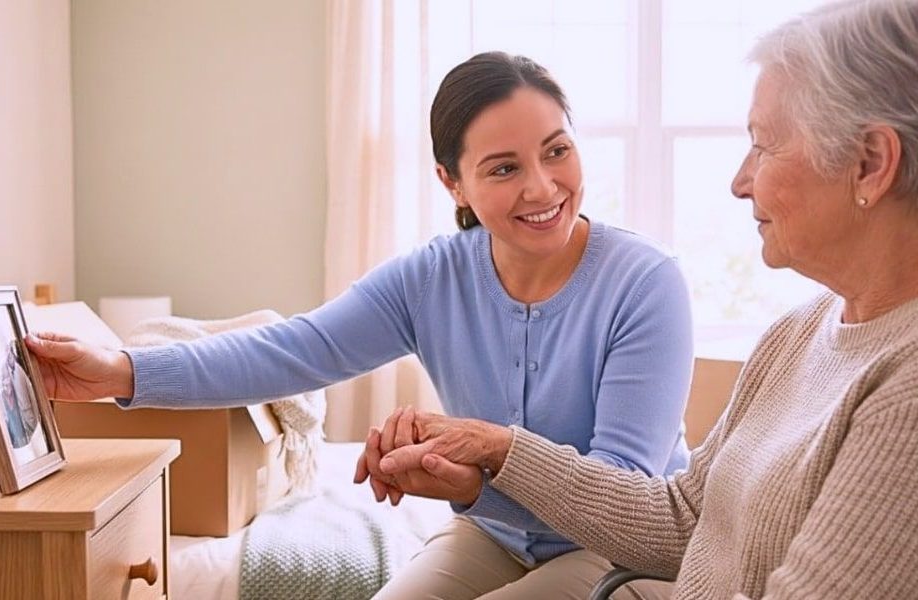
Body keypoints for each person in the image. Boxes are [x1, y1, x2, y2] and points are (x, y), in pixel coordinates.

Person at [26, 52, 694, 598]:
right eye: (504, 168)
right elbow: (292, 351)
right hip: (492, 535)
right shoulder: (432, 278)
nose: (544, 187)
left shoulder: (644, 282)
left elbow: (622, 499)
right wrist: (121, 369)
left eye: (557, 152)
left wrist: (480, 468)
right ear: (452, 182)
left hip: (610, 551)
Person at [369, 1, 918, 598]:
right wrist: (497, 449)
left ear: (870, 165)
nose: (740, 181)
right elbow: (685, 518)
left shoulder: (904, 393)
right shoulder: (799, 331)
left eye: (764, 146)